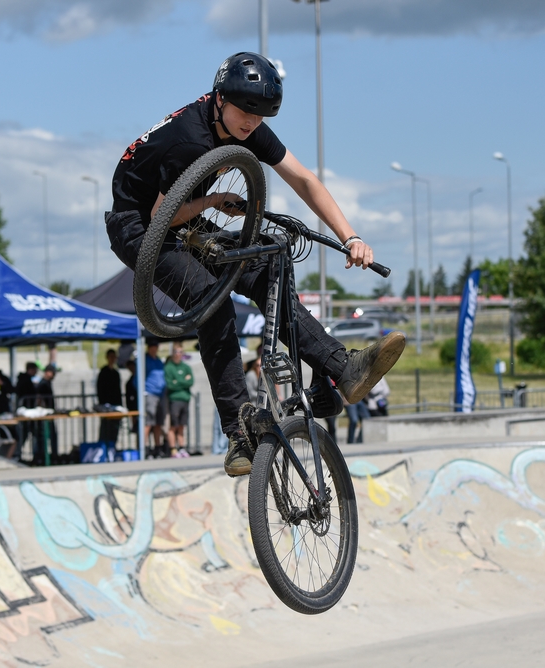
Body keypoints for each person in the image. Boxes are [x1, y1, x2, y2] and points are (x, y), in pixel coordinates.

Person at [105, 52, 406, 476]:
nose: (251, 123)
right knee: (212, 298)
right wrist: (211, 200)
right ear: (220, 99)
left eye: (261, 116)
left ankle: (340, 370)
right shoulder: (190, 139)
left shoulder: (247, 128)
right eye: (246, 112)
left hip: (184, 216)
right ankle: (237, 430)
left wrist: (349, 236)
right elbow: (161, 217)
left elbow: (303, 179)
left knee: (266, 265)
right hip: (139, 224)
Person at [164, 343, 194, 453]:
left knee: (182, 425)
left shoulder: (186, 367)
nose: (179, 354)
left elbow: (190, 382)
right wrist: (183, 381)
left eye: (181, 352)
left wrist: (178, 381)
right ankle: (173, 448)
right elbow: (171, 385)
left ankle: (181, 448)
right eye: (177, 352)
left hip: (185, 399)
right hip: (174, 399)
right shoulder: (169, 367)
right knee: (173, 425)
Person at [143, 342, 167, 455]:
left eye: (156, 347)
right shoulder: (144, 360)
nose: (154, 349)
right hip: (150, 393)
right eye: (152, 347)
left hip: (160, 394)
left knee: (158, 422)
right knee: (148, 422)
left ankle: (157, 447)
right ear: (149, 347)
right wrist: (143, 391)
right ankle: (144, 448)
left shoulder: (158, 360)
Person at [97, 349, 123, 446]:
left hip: (115, 405)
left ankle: (112, 448)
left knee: (114, 429)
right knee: (105, 429)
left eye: (114, 357)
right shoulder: (103, 372)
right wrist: (102, 405)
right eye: (110, 357)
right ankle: (103, 449)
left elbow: (118, 391)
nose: (112, 359)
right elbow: (100, 389)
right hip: (106, 406)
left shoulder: (116, 373)